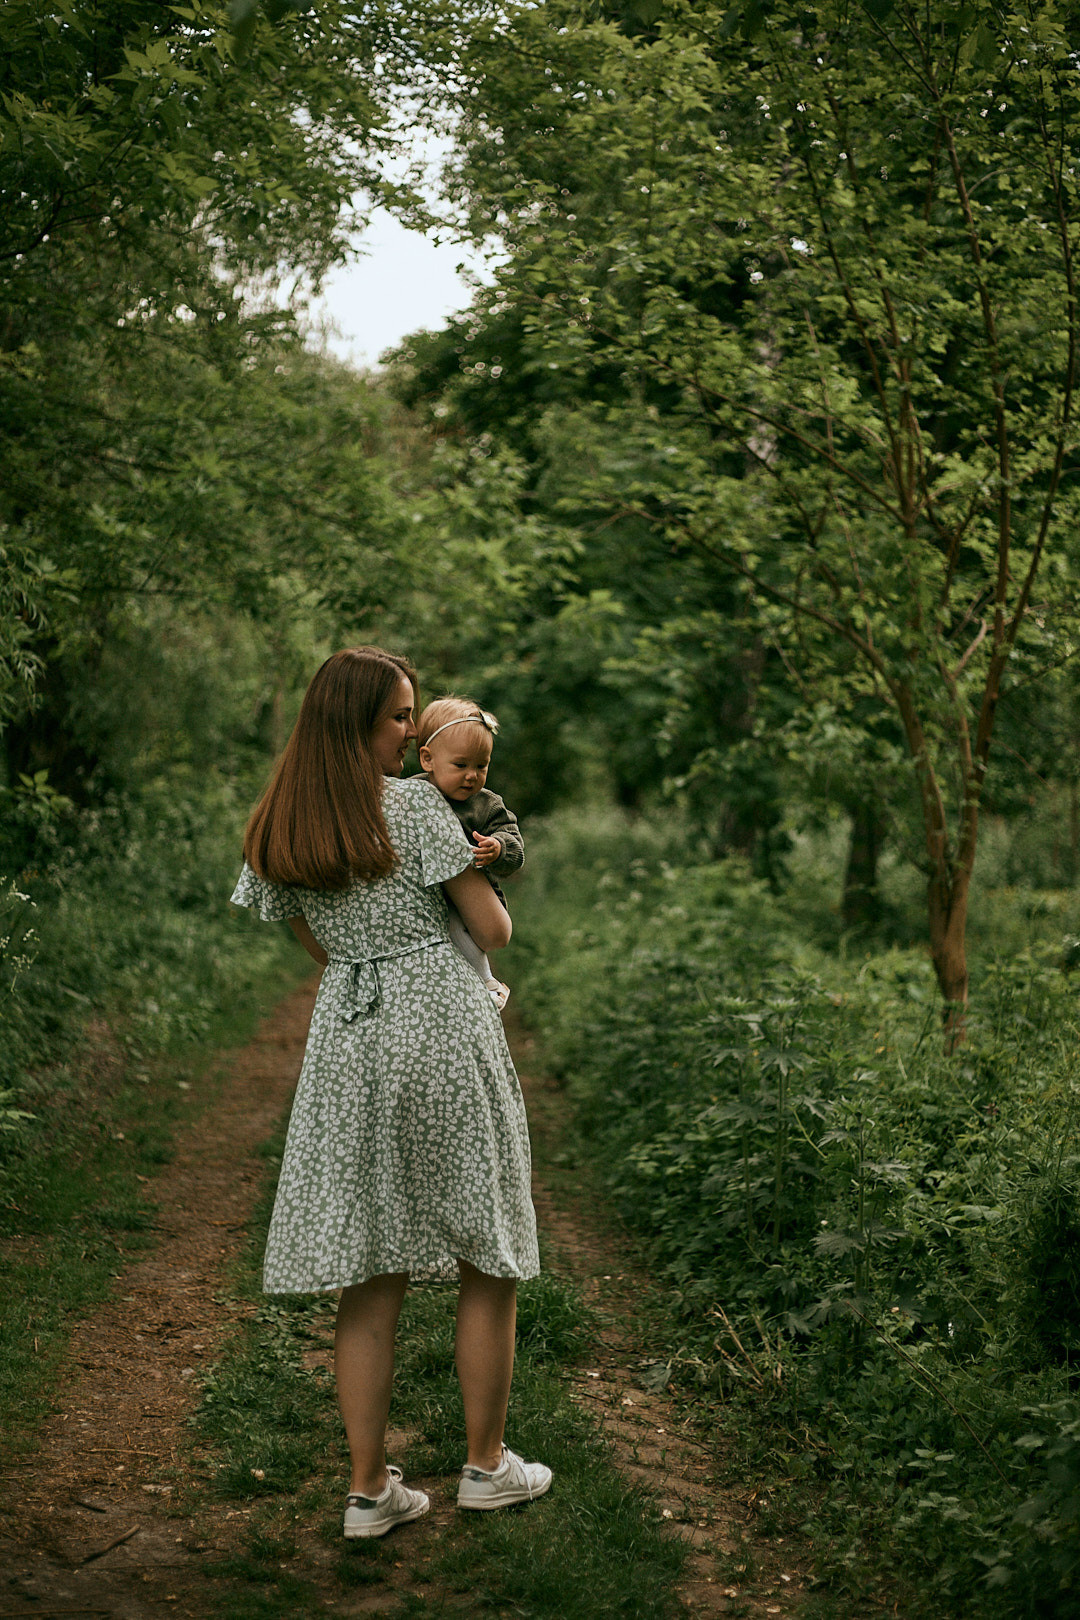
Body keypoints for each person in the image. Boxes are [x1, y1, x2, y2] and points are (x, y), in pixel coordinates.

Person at [229, 646, 550, 1539]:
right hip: (442, 1024)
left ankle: (370, 1492)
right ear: (360, 723)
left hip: (350, 1035)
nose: (414, 732)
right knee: (486, 1247)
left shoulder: (278, 822)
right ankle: (485, 1468)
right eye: (401, 717)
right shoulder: (414, 806)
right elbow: (493, 926)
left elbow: (317, 945)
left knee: (371, 1271)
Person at [416, 695, 524, 1011]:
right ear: (427, 759)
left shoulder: (485, 804)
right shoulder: (413, 795)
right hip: (425, 896)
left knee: (458, 930)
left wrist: (499, 847)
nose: (472, 775)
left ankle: (486, 980)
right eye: (461, 765)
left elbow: (514, 846)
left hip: (471, 901)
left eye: (482, 766)